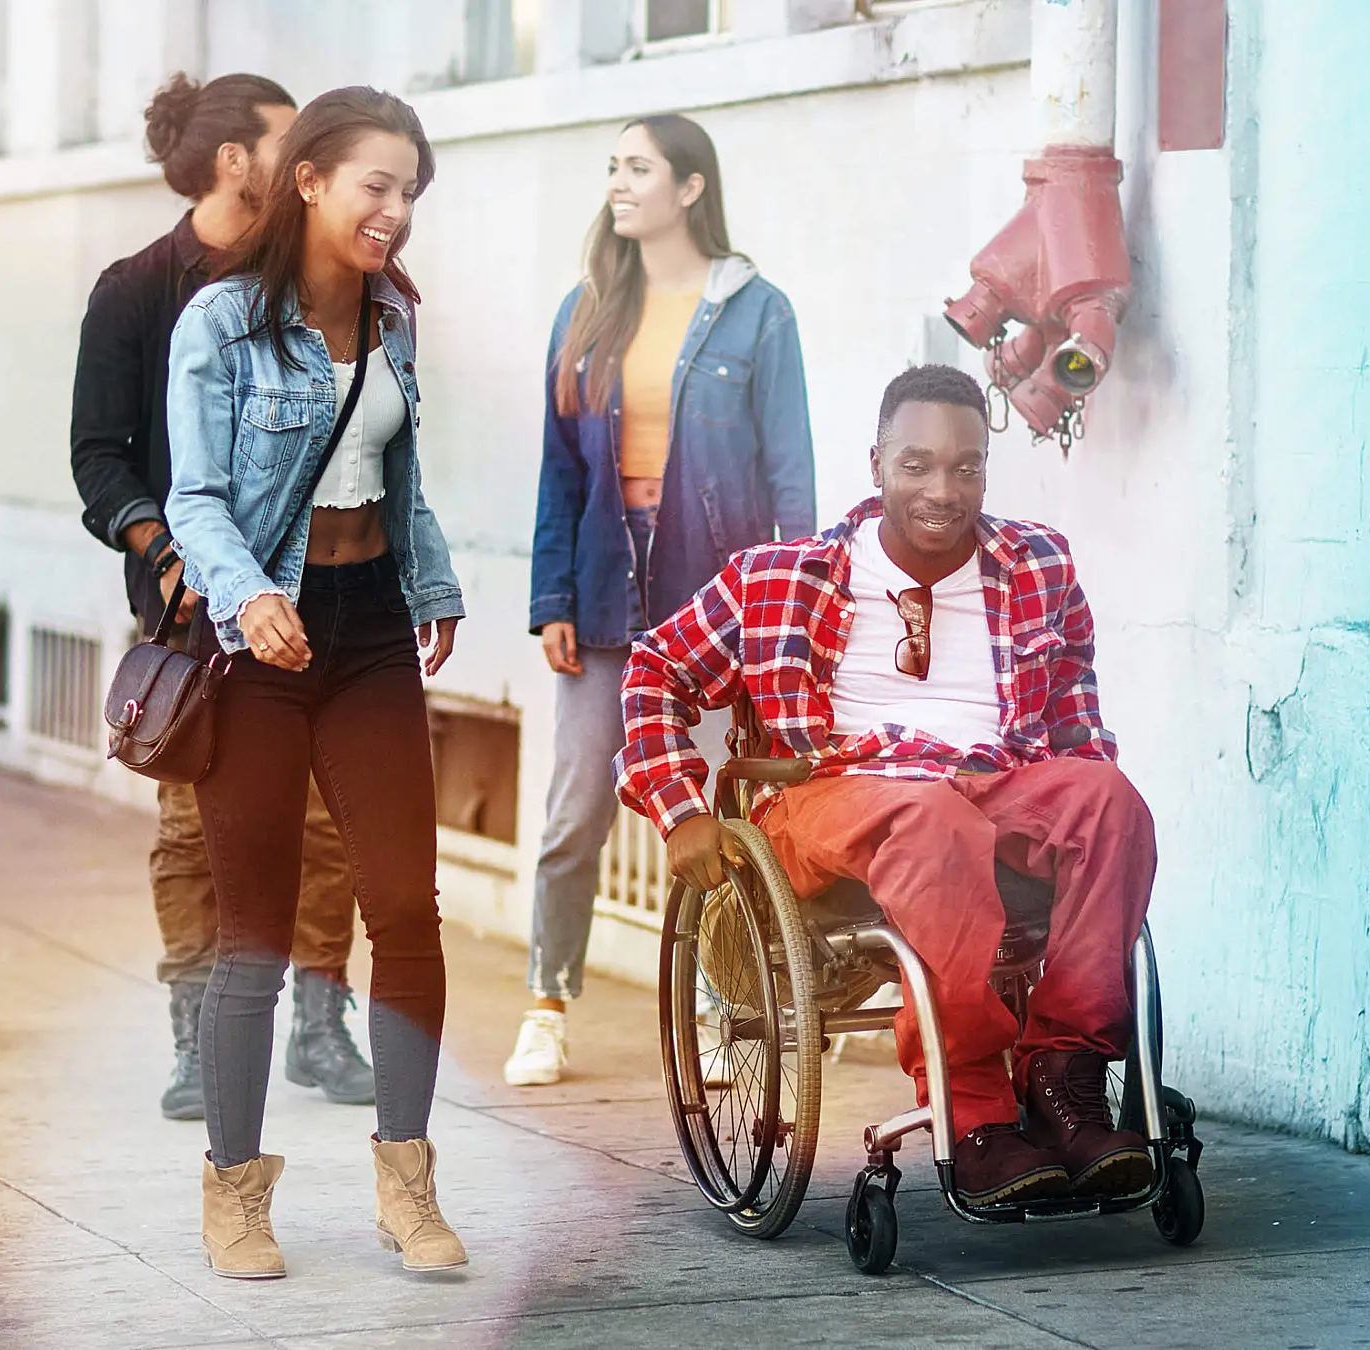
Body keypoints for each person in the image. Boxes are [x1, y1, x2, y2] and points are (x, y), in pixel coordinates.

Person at [617, 364, 1158, 1208]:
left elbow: (1075, 725)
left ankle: (1066, 1080)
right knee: (930, 817)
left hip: (994, 780)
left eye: (966, 467)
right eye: (917, 465)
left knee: (1109, 802)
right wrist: (680, 810)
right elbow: (656, 670)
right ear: (877, 465)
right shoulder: (779, 577)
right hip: (833, 791)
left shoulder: (1038, 565)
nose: (943, 490)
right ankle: (973, 1110)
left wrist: (1089, 833)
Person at [165, 87, 467, 1279]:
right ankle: (234, 1194)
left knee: (405, 907)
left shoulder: (395, 316)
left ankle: (408, 1181)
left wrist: (434, 582)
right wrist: (249, 597)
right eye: (376, 185)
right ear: (309, 180)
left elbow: (400, 473)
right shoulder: (222, 322)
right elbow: (195, 498)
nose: (396, 210)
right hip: (263, 645)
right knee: (255, 932)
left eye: (411, 192)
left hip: (373, 628)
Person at [69, 73, 374, 1122]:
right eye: (288, 141)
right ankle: (197, 1039)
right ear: (236, 159)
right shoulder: (135, 290)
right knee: (193, 828)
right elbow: (99, 458)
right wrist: (166, 552)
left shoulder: (324, 276)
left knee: (327, 817)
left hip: (321, 590)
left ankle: (320, 1024)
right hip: (189, 608)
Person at [508, 114, 817, 1087]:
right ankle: (547, 1006)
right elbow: (560, 471)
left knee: (721, 810)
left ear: (690, 188)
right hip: (605, 591)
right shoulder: (586, 310)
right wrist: (553, 596)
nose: (618, 182)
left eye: (637, 168)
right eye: (612, 167)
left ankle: (727, 1007)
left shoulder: (757, 313)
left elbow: (792, 475)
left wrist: (792, 611)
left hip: (714, 603)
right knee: (575, 811)